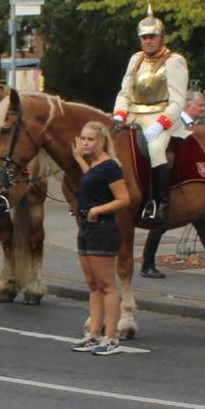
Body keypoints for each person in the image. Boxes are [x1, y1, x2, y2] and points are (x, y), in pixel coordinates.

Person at [113, 8, 190, 224]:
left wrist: (161, 124)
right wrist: (119, 114)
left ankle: (159, 203)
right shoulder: (136, 59)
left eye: (151, 37)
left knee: (155, 148)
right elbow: (124, 92)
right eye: (144, 37)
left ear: (160, 37)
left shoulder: (174, 61)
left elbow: (177, 101)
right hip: (133, 115)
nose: (147, 41)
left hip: (161, 116)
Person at [70, 118, 131, 355]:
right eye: (82, 138)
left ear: (101, 141)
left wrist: (98, 210)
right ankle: (93, 333)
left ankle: (111, 337)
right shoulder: (94, 166)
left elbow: (123, 199)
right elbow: (92, 181)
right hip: (86, 227)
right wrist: (77, 158)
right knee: (93, 285)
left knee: (106, 286)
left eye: (89, 139)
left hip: (102, 229)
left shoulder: (110, 166)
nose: (84, 143)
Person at [140, 89, 205, 278]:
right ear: (188, 105)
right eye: (200, 105)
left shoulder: (191, 125)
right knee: (162, 221)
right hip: (171, 182)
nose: (203, 109)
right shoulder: (176, 123)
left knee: (201, 217)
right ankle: (147, 263)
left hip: (186, 182)